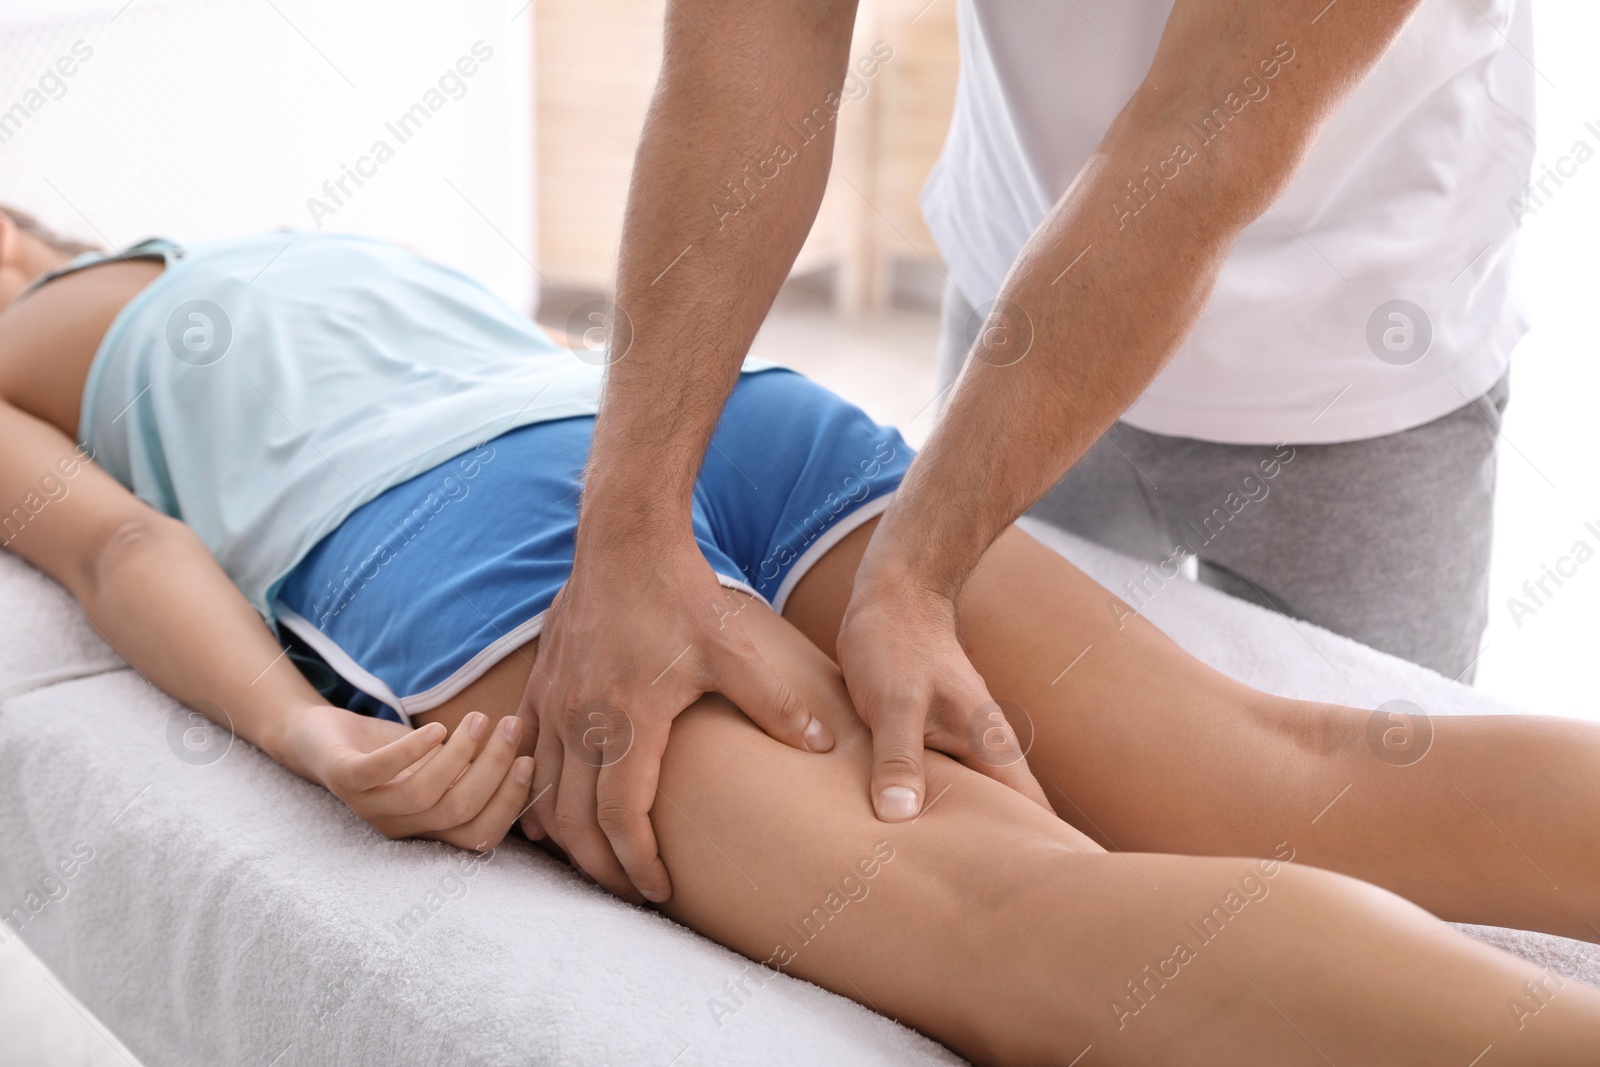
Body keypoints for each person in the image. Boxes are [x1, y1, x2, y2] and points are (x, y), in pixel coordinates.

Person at [2, 209, 1599, 1062]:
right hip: (716, 422)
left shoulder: (52, 336)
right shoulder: (276, 236)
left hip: (467, 545)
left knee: (1011, 916)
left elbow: (121, 536)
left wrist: (313, 730)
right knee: (1286, 764)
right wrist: (315, 730)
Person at [539, 0, 1537, 906]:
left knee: (1370, 822)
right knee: (1032, 804)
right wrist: (629, 526)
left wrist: (918, 564)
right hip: (1022, 290)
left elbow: (1205, 135)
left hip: (1364, 350)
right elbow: (764, 38)